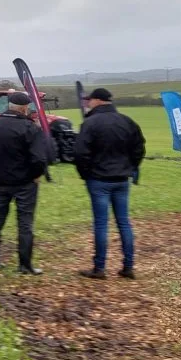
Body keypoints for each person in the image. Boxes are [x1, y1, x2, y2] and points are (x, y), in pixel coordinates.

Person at [0, 91, 51, 275]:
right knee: (24, 223)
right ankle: (24, 265)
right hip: (25, 183)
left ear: (9, 106)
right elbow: (39, 159)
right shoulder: (30, 128)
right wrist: (34, 175)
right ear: (24, 108)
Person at [73, 88, 146, 280]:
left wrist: (85, 174)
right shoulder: (127, 121)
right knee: (124, 222)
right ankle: (128, 266)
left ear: (97, 101)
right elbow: (139, 148)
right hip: (122, 179)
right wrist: (131, 167)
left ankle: (99, 268)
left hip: (98, 179)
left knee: (101, 224)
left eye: (90, 100)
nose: (88, 103)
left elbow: (80, 153)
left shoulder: (90, 123)